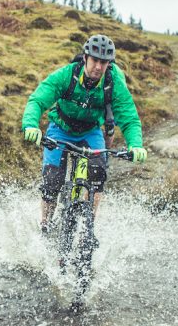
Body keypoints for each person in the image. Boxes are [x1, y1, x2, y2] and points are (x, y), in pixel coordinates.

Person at [21, 34, 147, 231]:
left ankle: (89, 226)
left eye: (104, 62)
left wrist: (136, 145)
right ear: (86, 57)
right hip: (60, 129)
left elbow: (129, 118)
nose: (98, 66)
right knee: (52, 180)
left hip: (90, 132)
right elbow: (38, 100)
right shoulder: (67, 75)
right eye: (95, 60)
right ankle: (44, 225)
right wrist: (31, 125)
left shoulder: (113, 83)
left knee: (97, 176)